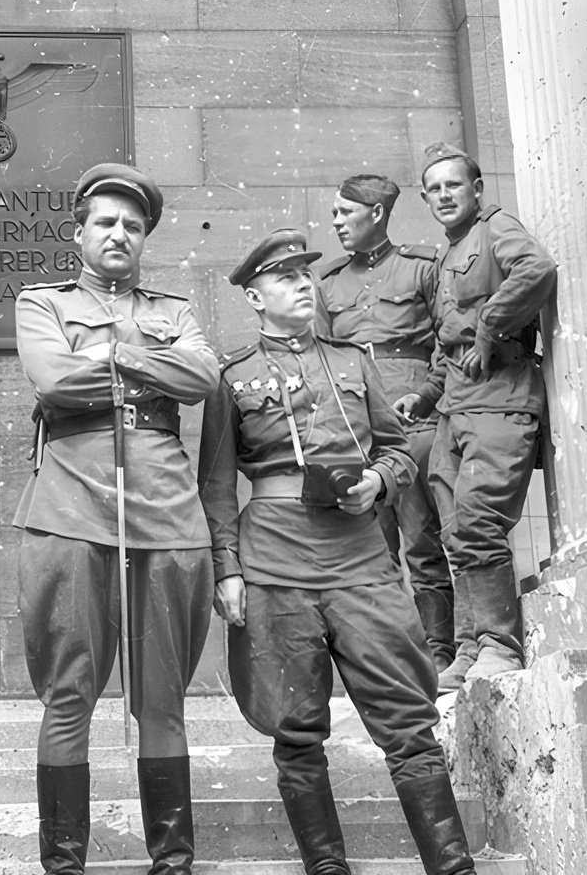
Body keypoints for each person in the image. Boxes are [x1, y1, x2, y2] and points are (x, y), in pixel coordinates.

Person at [197, 230, 476, 875]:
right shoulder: (231, 377)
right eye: (285, 277)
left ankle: (453, 866)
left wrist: (379, 481)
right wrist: (227, 569)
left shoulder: (353, 361)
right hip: (275, 561)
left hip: (359, 558)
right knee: (296, 728)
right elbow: (215, 485)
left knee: (407, 718)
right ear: (254, 297)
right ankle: (326, 867)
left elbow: (400, 449)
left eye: (306, 274)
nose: (303, 284)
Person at [13, 163, 219, 875]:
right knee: (69, 692)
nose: (119, 234)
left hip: (165, 509)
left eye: (132, 225)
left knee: (162, 698)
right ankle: (64, 862)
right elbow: (53, 380)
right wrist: (153, 364)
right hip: (71, 506)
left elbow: (203, 378)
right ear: (78, 233)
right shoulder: (41, 303)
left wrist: (114, 353)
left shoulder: (176, 310)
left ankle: (174, 861)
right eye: (104, 222)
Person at [395, 144, 556, 688]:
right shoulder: (447, 255)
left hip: (501, 397)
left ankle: (500, 645)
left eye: (453, 185)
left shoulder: (495, 229)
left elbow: (536, 269)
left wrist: (491, 324)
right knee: (455, 531)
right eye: (434, 189)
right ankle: (469, 646)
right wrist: (424, 396)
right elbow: (449, 345)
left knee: (479, 521)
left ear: (476, 189)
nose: (444, 195)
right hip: (455, 407)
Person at [317, 174, 454, 671]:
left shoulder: (422, 267)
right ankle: (393, 659)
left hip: (415, 423)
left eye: (345, 213)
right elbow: (321, 361)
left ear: (376, 214)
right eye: (334, 213)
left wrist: (426, 394)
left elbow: (449, 341)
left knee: (423, 543)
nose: (336, 223)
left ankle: (439, 652)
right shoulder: (328, 283)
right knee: (373, 552)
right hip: (359, 433)